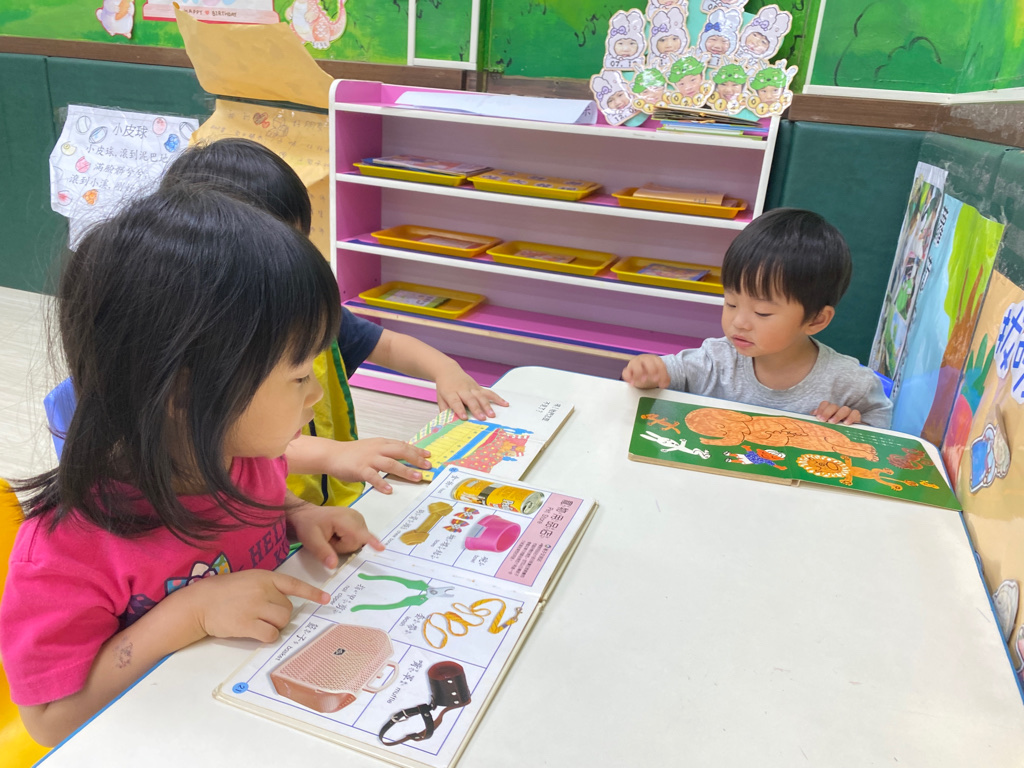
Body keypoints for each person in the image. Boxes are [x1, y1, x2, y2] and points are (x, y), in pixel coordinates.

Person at [0, 187, 389, 746]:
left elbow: (258, 504)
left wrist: (299, 514)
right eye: (300, 376)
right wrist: (189, 615)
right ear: (186, 391)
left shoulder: (246, 461)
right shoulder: (68, 551)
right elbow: (47, 722)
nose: (316, 396)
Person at [156, 138, 507, 507]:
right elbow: (229, 443)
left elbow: (386, 344)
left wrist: (445, 370)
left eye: (297, 247)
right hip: (271, 510)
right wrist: (332, 455)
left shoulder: (308, 312)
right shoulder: (208, 349)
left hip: (327, 502)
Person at [622, 208, 893, 428]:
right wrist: (648, 371)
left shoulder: (850, 384)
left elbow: (881, 433)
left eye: (762, 312)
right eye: (731, 303)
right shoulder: (716, 360)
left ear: (816, 320)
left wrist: (855, 424)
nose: (738, 322)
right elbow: (669, 373)